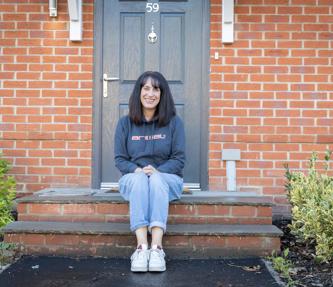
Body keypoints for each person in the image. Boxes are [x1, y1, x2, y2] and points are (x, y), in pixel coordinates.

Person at [114, 71, 185, 272]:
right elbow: (120, 159)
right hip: (133, 178)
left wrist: (157, 172)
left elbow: (179, 160)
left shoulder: (174, 123)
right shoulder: (125, 124)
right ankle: (141, 247)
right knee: (139, 181)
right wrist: (136, 170)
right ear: (139, 92)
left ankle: (157, 248)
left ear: (162, 94)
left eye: (156, 89)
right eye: (146, 88)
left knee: (154, 180)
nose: (150, 93)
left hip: (167, 179)